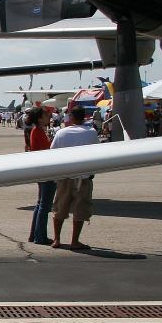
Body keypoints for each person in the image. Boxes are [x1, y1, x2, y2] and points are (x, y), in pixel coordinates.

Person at [50, 107, 101, 250]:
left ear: (71, 117)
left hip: (65, 176)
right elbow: (97, 152)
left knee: (60, 208)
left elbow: (53, 152)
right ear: (84, 117)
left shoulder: (61, 133)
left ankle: (57, 239)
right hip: (83, 176)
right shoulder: (91, 133)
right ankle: (74, 241)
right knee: (80, 209)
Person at [26, 107, 54, 245]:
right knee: (44, 205)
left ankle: (35, 234)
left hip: (40, 170)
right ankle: (40, 236)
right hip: (45, 170)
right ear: (39, 118)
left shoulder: (37, 131)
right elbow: (45, 151)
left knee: (40, 204)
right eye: (45, 115)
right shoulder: (38, 132)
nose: (48, 116)